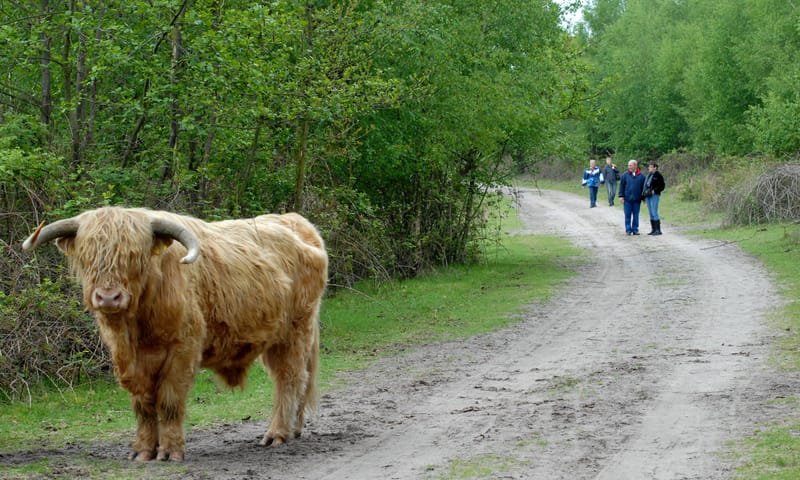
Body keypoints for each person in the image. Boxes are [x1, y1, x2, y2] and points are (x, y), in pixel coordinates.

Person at [618, 159, 646, 235]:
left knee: (636, 215)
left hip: (637, 200)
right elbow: (621, 186)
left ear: (635, 166)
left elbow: (643, 188)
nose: (629, 167)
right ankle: (628, 230)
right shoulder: (625, 175)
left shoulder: (642, 176)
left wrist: (643, 198)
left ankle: (635, 229)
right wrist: (621, 196)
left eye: (630, 165)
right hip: (627, 199)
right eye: (628, 165)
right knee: (627, 215)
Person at [643, 161, 666, 235]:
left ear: (655, 167)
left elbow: (662, 186)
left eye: (650, 167)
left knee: (654, 211)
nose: (649, 168)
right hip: (648, 195)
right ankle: (653, 229)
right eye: (649, 167)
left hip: (655, 195)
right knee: (650, 212)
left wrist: (655, 191)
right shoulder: (649, 175)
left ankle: (658, 230)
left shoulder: (658, 175)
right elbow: (646, 185)